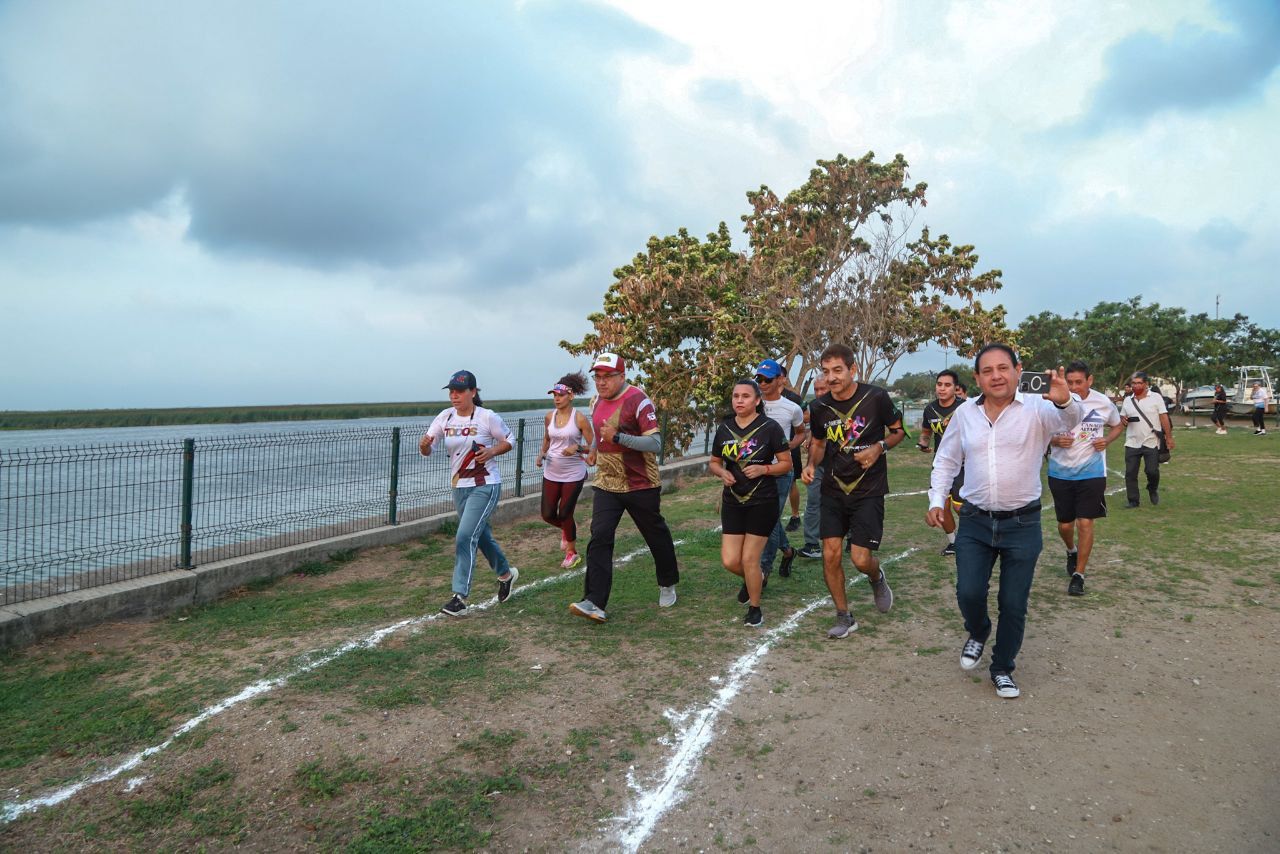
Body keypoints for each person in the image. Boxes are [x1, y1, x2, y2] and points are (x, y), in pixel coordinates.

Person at [926, 345, 1081, 699]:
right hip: (975, 522)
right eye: (987, 370)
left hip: (1022, 524)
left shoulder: (1039, 407)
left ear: (1017, 370)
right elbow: (946, 459)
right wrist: (936, 500)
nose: (996, 376)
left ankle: (1002, 668)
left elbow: (1070, 421)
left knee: (1013, 602)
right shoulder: (965, 413)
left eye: (1003, 368)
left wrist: (1065, 401)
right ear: (977, 378)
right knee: (968, 592)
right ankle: (979, 630)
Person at [802, 344, 905, 639]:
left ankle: (876, 575)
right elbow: (819, 442)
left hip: (868, 489)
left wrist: (879, 447)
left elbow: (898, 431)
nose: (831, 377)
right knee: (830, 555)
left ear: (852, 369)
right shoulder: (819, 407)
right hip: (833, 489)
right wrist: (811, 465)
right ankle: (844, 616)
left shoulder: (876, 397)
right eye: (826, 371)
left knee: (860, 559)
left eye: (837, 370)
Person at [569, 353, 680, 623]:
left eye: (608, 377)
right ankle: (594, 601)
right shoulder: (595, 401)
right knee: (600, 536)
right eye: (598, 377)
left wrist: (618, 437)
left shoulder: (638, 401)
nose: (601, 382)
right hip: (607, 482)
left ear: (622, 376)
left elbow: (655, 443)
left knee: (655, 535)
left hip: (640, 483)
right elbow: (599, 434)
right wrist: (593, 450)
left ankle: (667, 582)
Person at [419, 370, 518, 616]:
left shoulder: (487, 417)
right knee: (480, 535)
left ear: (473, 392)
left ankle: (459, 598)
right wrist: (424, 446)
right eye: (451, 391)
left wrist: (492, 451)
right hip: (459, 486)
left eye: (460, 391)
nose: (454, 396)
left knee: (464, 536)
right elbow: (429, 448)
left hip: (485, 484)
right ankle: (506, 575)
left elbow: (510, 440)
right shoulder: (445, 417)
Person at [708, 379, 792, 627]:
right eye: (736, 396)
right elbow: (714, 462)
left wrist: (765, 469)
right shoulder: (724, 429)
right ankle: (756, 577)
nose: (739, 400)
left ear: (757, 400)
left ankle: (755, 609)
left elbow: (786, 464)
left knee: (749, 559)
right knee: (730, 560)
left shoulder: (770, 428)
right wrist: (722, 472)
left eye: (745, 396)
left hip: (762, 501)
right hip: (733, 501)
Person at [1047, 361, 1124, 596]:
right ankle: (1071, 550)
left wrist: (1106, 440)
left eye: (1078, 382)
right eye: (1069, 382)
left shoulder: (1103, 402)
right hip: (1060, 472)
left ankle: (1079, 575)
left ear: (1090, 380)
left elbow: (1117, 425)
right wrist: (1054, 440)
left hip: (1092, 472)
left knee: (1085, 522)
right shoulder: (1053, 401)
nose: (1073, 387)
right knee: (1065, 525)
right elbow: (1037, 430)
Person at [536, 372, 595, 569]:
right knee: (547, 514)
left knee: (565, 513)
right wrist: (541, 454)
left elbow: (594, 446)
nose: (557, 399)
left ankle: (572, 553)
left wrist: (577, 448)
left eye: (560, 395)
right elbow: (547, 438)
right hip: (551, 471)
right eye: (554, 395)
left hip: (573, 473)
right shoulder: (549, 417)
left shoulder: (580, 419)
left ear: (571, 396)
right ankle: (567, 528)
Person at [755, 359, 806, 581]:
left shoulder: (792, 408)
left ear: (779, 380)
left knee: (768, 519)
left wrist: (787, 448)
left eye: (767, 379)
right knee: (768, 519)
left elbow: (801, 432)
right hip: (756, 470)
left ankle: (764, 569)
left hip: (781, 471)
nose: (762, 383)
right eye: (759, 379)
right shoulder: (753, 404)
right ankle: (787, 551)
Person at [917, 370, 965, 556]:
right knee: (941, 505)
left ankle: (976, 538)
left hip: (964, 464)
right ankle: (954, 543)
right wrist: (923, 443)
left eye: (947, 385)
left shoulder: (964, 407)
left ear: (955, 388)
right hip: (941, 463)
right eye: (939, 384)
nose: (942, 388)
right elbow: (926, 431)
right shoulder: (930, 409)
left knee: (960, 507)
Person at [1120, 371, 1174, 508]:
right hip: (1132, 441)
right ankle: (1133, 500)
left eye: (1139, 383)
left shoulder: (1156, 397)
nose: (1136, 386)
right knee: (1130, 473)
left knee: (1152, 471)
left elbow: (1164, 418)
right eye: (1133, 383)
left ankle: (1152, 488)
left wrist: (1169, 437)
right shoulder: (1127, 400)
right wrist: (1123, 420)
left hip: (1151, 441)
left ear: (1146, 384)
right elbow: (1122, 417)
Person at [798, 375, 830, 559]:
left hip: (840, 465)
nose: (819, 393)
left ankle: (851, 538)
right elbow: (815, 431)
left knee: (844, 502)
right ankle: (811, 544)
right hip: (817, 464)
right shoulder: (814, 407)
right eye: (816, 389)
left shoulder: (843, 407)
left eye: (822, 389)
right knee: (813, 501)